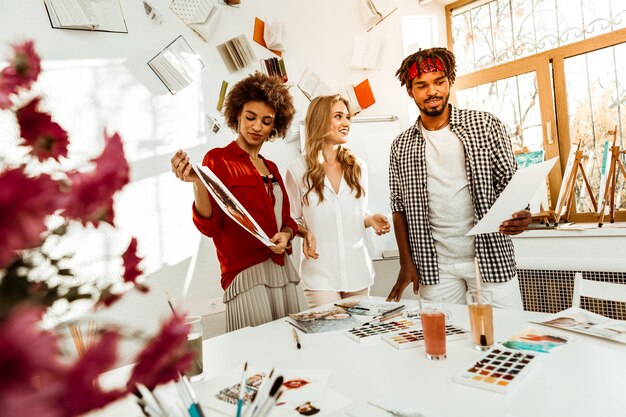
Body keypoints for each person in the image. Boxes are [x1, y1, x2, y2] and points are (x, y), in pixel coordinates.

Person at [386, 47, 531, 308]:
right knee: (445, 342)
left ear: (450, 82)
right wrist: (406, 262)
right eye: (422, 85)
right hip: (435, 266)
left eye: (439, 82)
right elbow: (399, 207)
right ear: (410, 91)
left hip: (491, 256)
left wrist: (522, 214)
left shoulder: (486, 125)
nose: (432, 91)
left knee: (505, 336)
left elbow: (509, 184)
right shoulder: (401, 145)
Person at [171, 72, 306, 331]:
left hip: (282, 271)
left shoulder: (273, 168)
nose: (257, 127)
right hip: (245, 275)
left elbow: (287, 220)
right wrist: (199, 183)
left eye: (266, 121)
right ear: (237, 116)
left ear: (275, 126)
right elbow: (209, 227)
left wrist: (287, 236)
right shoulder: (218, 160)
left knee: (292, 353)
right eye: (250, 117)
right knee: (257, 358)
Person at [285, 94, 390, 308]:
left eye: (347, 117)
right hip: (320, 274)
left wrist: (370, 220)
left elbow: (359, 213)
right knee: (330, 338)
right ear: (320, 120)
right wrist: (304, 232)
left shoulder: (358, 166)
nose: (346, 123)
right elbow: (291, 220)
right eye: (338, 116)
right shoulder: (296, 169)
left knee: (359, 336)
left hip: (357, 270)